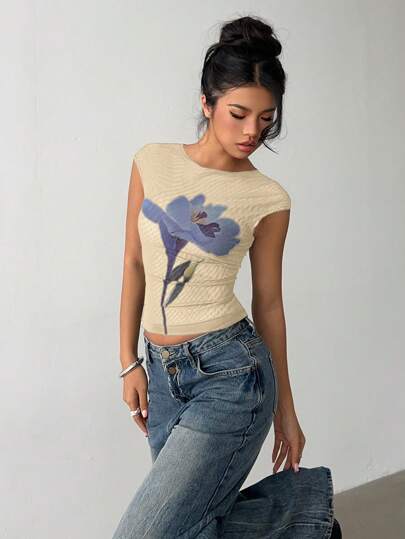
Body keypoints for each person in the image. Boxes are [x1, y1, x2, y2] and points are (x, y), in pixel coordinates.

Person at [112, 14, 342, 539]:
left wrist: (286, 408)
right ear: (207, 102)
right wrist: (128, 362)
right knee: (189, 527)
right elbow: (132, 263)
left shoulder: (268, 197)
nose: (252, 131)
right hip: (161, 375)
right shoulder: (151, 162)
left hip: (232, 376)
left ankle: (305, 515)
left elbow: (269, 304)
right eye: (239, 114)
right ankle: (312, 524)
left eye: (266, 119)